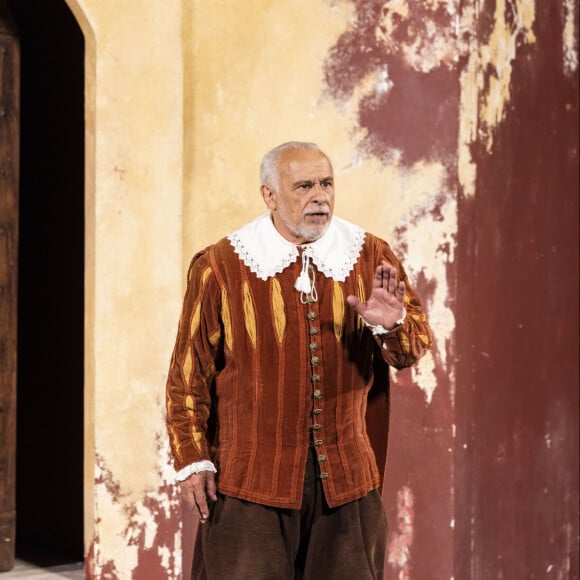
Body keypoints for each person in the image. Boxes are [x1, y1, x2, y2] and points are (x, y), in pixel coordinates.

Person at [166, 141, 433, 579]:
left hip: (347, 486)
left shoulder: (369, 257)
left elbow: (410, 351)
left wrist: (392, 324)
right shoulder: (221, 267)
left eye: (326, 183)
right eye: (304, 185)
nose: (320, 196)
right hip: (247, 486)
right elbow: (187, 377)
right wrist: (193, 460)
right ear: (269, 195)